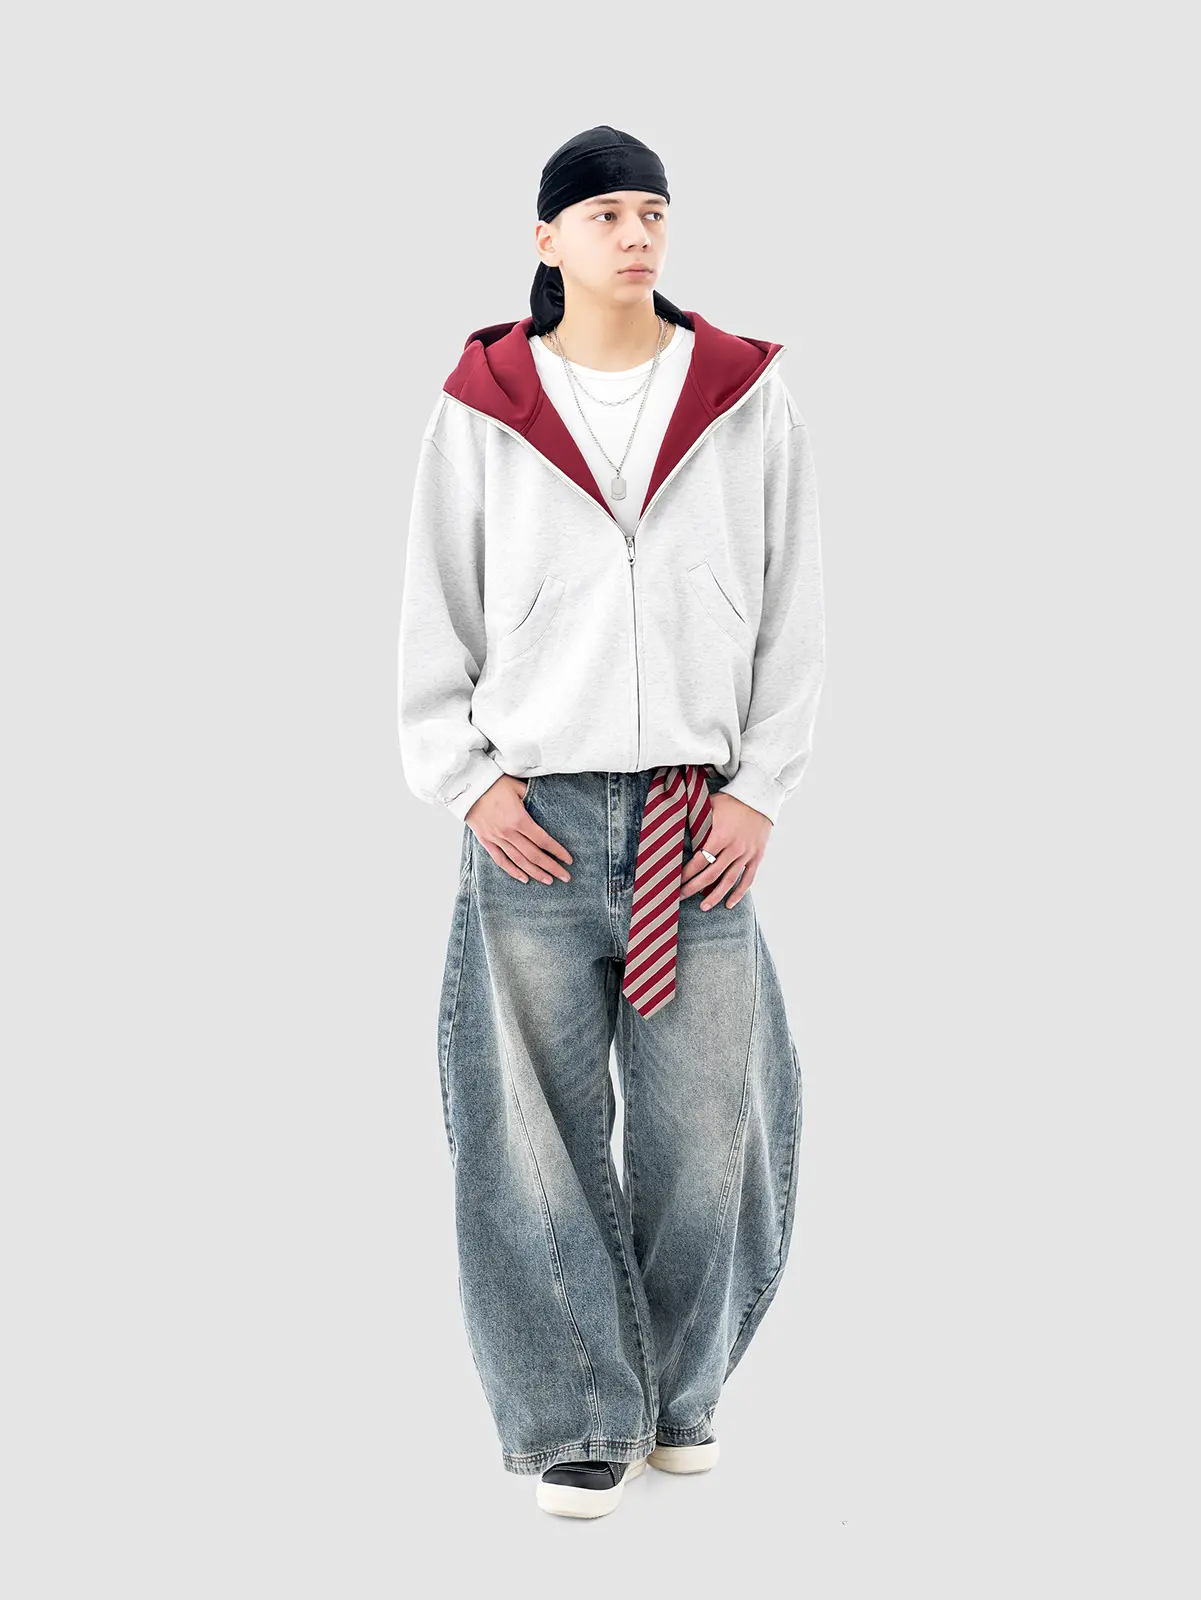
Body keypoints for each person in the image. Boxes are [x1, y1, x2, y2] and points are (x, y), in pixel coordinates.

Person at [397, 126, 826, 1519]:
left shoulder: (743, 396)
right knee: (530, 1129)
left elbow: (794, 608)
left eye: (652, 211)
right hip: (535, 821)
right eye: (604, 214)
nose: (635, 234)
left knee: (713, 1124)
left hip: (699, 821)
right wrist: (468, 779)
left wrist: (760, 789)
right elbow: (436, 606)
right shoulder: (484, 407)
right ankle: (583, 1417)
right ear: (548, 241)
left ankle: (679, 1395)